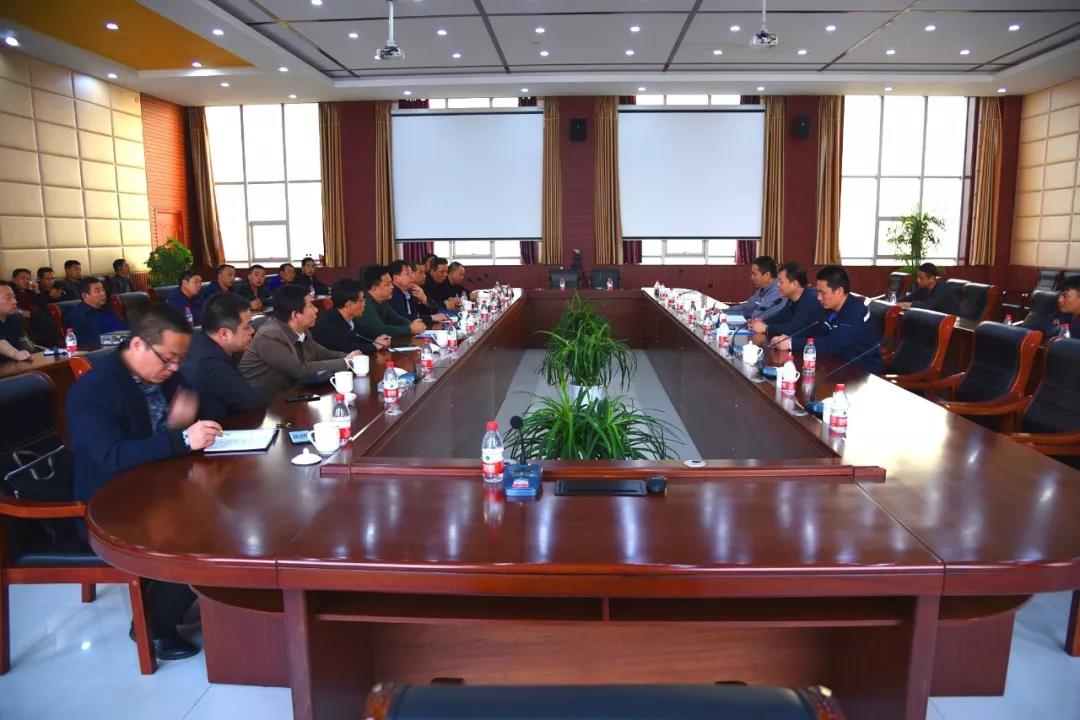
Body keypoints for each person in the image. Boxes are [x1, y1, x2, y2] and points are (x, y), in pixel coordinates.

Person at [67, 302, 223, 660]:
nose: (174, 368)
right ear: (137, 344)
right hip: (109, 504)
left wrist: (187, 421)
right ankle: (152, 625)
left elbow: (194, 410)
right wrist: (180, 438)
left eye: (180, 360)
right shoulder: (94, 391)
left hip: (157, 484)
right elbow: (112, 456)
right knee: (194, 529)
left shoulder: (163, 373)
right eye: (168, 358)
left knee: (226, 505)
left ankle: (214, 595)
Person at [239, 284, 361, 395]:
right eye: (310, 306)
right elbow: (300, 370)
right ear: (295, 315)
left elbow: (318, 352)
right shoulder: (269, 336)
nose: (316, 310)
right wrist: (346, 362)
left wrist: (349, 357)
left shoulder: (302, 328)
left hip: (291, 394)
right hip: (262, 403)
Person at [180, 292, 273, 423]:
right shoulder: (210, 363)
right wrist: (274, 391)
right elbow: (250, 400)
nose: (252, 331)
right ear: (224, 334)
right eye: (247, 326)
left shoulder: (200, 340)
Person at [774, 265, 884, 374]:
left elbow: (831, 344)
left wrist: (792, 343)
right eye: (818, 292)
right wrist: (789, 338)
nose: (818, 298)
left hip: (862, 371)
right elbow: (816, 331)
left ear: (839, 291)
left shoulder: (855, 312)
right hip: (836, 363)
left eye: (823, 293)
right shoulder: (831, 308)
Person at [749, 262, 827, 340]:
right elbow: (780, 317)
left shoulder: (811, 300)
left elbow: (793, 329)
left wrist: (765, 328)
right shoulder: (792, 299)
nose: (777, 285)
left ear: (794, 284)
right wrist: (761, 322)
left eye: (781, 282)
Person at [313, 278, 391, 354]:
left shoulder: (350, 319)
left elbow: (364, 334)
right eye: (361, 300)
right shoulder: (326, 324)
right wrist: (374, 346)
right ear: (349, 304)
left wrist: (380, 338)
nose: (364, 304)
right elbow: (346, 347)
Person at [357, 265, 426, 341]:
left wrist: (413, 324)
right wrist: (410, 329)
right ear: (374, 289)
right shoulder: (364, 303)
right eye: (388, 284)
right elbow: (379, 330)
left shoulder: (382, 301)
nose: (392, 287)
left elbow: (397, 319)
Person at [65, 277, 129, 347]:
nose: (103, 293)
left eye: (103, 290)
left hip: (126, 342)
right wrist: (116, 340)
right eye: (98, 291)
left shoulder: (107, 308)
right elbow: (79, 341)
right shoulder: (76, 316)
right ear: (85, 296)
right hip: (108, 348)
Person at [388, 260, 447, 326]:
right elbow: (404, 319)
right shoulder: (391, 294)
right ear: (396, 278)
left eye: (412, 273)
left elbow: (430, 313)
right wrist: (431, 318)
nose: (412, 276)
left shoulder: (411, 292)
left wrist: (424, 300)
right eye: (408, 273)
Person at [728, 256, 787, 322]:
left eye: (755, 274)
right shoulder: (763, 288)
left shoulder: (777, 291)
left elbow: (757, 317)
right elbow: (747, 307)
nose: (752, 277)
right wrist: (723, 311)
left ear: (767, 275)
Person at [11, 268, 60, 346]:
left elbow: (44, 305)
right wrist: (20, 311)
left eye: (28, 279)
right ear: (14, 280)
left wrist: (37, 291)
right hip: (27, 319)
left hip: (40, 316)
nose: (26, 281)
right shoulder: (11, 293)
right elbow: (9, 307)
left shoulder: (30, 291)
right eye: (22, 278)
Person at [0, 282, 32, 361]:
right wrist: (15, 354)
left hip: (14, 364)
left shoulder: (16, 317)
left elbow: (23, 341)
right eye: (8, 298)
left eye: (14, 297)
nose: (15, 301)